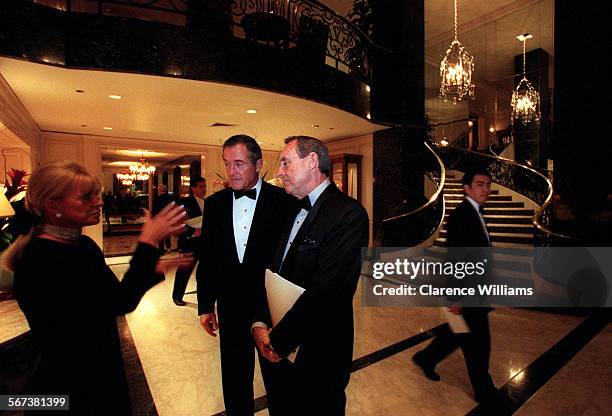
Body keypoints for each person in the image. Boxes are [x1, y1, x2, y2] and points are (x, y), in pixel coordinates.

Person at [2, 161, 190, 415]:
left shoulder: (83, 245)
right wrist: (148, 241)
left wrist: (150, 269)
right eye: (87, 196)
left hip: (95, 368)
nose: (99, 202)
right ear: (53, 205)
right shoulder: (40, 259)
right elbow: (117, 303)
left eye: (98, 194)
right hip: (69, 386)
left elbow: (114, 298)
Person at [252, 136, 369, 415]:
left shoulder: (349, 215)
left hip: (319, 355)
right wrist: (259, 322)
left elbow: (328, 292)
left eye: (285, 162)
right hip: (275, 347)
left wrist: (279, 342)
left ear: (312, 161)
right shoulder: (291, 206)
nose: (279, 171)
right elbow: (269, 270)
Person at [196, 135, 295, 415]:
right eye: (227, 164)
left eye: (238, 163)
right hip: (230, 307)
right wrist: (205, 306)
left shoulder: (284, 202)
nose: (231, 171)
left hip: (271, 309)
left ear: (259, 164)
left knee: (279, 380)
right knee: (235, 380)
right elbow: (209, 259)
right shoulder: (215, 204)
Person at [411, 167, 504, 410]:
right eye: (481, 184)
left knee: (458, 335)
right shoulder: (462, 215)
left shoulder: (476, 213)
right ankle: (485, 391)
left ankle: (425, 358)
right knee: (479, 343)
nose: (486, 189)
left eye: (488, 184)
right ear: (467, 188)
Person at [172, 177, 206, 305]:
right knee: (184, 271)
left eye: (204, 186)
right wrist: (191, 232)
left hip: (203, 243)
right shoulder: (184, 201)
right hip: (189, 243)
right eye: (200, 187)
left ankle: (204, 296)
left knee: (204, 272)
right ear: (193, 188)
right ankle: (177, 296)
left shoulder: (207, 202)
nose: (203, 189)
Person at [153, 184, 174, 254]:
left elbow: (155, 210)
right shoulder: (170, 198)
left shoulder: (157, 199)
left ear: (159, 190)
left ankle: (161, 250)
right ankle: (169, 248)